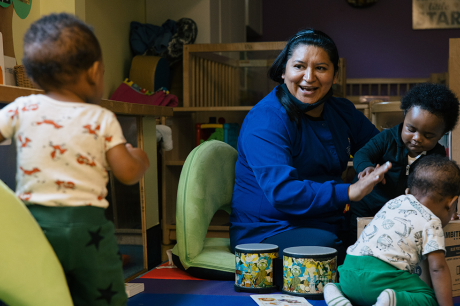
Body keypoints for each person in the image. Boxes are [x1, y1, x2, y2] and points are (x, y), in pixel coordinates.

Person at [0, 13, 150, 305]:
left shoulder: (21, 109)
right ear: (95, 72)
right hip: (88, 228)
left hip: (37, 226)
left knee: (48, 293)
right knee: (104, 297)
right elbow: (127, 173)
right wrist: (139, 156)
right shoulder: (100, 118)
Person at [229, 28, 391, 266]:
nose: (309, 77)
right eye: (299, 66)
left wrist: (368, 166)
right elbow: (283, 192)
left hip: (325, 218)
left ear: (335, 75)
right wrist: (348, 191)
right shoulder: (266, 120)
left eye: (321, 68)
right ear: (284, 71)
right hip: (268, 230)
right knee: (330, 249)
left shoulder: (342, 111)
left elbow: (379, 148)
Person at [324, 155, 459, 306]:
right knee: (429, 298)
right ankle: (392, 300)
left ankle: (335, 293)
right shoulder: (432, 221)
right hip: (382, 279)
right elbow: (438, 268)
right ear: (451, 203)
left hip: (348, 271)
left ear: (408, 192)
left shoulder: (394, 203)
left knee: (342, 286)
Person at [348, 83, 459, 245]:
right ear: (405, 116)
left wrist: (450, 209)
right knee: (357, 243)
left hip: (401, 215)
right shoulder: (387, 138)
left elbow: (447, 185)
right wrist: (367, 169)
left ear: (441, 134)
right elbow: (362, 154)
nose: (417, 138)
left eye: (428, 135)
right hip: (368, 206)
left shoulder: (438, 156)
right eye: (411, 129)